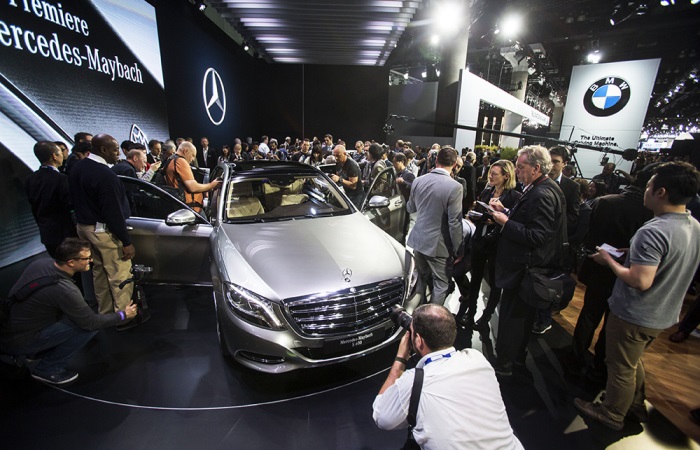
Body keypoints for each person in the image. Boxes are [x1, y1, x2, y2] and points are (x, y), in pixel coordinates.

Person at [575, 162, 700, 431]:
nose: (644, 190)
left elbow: (640, 280)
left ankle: (612, 412)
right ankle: (634, 404)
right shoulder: (693, 226)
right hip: (663, 313)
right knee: (632, 361)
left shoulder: (653, 230)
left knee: (619, 365)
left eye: (649, 185)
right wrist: (629, 253)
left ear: (661, 192)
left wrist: (609, 260)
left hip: (635, 313)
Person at [372, 304, 523, 450]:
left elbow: (381, 417)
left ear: (418, 341)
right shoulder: (477, 359)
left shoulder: (415, 382)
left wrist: (400, 359)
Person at [0, 238, 137, 385]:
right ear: (71, 262)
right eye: (87, 258)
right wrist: (122, 315)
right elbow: (91, 322)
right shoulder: (64, 290)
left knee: (72, 315)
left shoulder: (41, 264)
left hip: (8, 328)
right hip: (18, 342)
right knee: (88, 328)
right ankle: (48, 368)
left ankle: (36, 352)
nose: (91, 260)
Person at [569, 167, 655, 381]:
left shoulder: (605, 202)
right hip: (626, 272)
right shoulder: (651, 213)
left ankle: (575, 357)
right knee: (611, 321)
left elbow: (589, 235)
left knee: (589, 314)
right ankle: (600, 364)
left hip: (599, 265)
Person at [489, 145, 566, 377]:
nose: (517, 171)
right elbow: (531, 222)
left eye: (521, 167)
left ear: (536, 168)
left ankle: (505, 365)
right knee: (519, 320)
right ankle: (514, 361)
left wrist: (505, 222)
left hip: (524, 270)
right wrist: (508, 211)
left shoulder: (542, 193)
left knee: (513, 321)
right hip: (525, 268)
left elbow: (537, 236)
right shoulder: (543, 188)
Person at [69, 134, 141, 326]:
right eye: (115, 149)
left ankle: (105, 314)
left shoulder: (78, 167)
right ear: (103, 150)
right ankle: (123, 318)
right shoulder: (105, 175)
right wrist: (126, 241)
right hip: (103, 231)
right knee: (120, 274)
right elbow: (113, 212)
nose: (118, 154)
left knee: (99, 273)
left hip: (84, 228)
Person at [457, 160, 521, 328]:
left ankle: (486, 316)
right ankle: (471, 312)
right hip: (480, 241)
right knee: (475, 279)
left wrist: (497, 219)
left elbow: (514, 223)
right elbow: (479, 213)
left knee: (494, 283)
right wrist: (480, 216)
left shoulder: (515, 197)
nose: (490, 176)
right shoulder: (487, 192)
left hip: (498, 245)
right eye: (490, 173)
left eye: (494, 174)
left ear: (506, 176)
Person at [406, 147, 463, 306]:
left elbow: (410, 208)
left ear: (436, 160)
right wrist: (459, 248)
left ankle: (420, 311)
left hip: (418, 241)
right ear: (454, 164)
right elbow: (454, 223)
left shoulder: (418, 180)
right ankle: (432, 318)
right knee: (441, 284)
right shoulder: (455, 187)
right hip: (439, 246)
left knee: (421, 279)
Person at [24, 141, 76, 258]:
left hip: (46, 234)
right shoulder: (61, 179)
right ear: (54, 156)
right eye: (60, 152)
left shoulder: (30, 179)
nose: (63, 155)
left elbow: (34, 207)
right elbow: (70, 206)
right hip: (65, 234)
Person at [164, 142, 223, 213]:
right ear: (185, 151)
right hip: (190, 208)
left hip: (185, 207)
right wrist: (212, 185)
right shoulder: (180, 161)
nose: (193, 159)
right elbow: (193, 187)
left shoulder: (170, 160)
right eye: (192, 155)